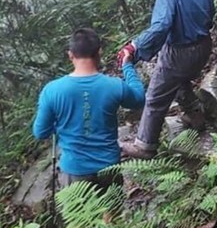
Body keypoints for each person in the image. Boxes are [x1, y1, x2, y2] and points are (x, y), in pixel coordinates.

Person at [119, 0, 215, 160]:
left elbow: (160, 27)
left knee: (155, 97)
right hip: (204, 46)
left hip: (179, 52)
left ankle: (145, 145)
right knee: (178, 79)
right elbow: (211, 14)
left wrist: (134, 47)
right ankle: (195, 115)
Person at [32, 28, 145, 193]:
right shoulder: (114, 86)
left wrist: (63, 126)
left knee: (82, 218)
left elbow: (40, 132)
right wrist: (127, 66)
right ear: (99, 52)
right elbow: (139, 99)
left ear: (70, 55)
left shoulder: (52, 90)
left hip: (74, 169)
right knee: (112, 217)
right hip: (109, 166)